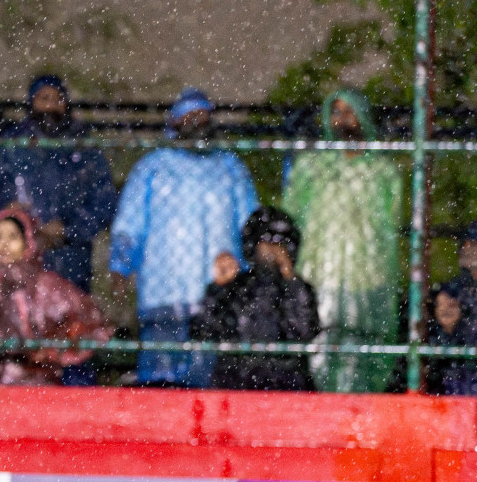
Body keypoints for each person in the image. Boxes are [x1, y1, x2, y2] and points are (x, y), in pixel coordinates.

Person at [110, 88, 258, 387]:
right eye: (189, 116)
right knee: (161, 383)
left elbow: (251, 225)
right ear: (175, 123)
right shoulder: (152, 168)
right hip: (163, 293)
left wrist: (251, 271)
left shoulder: (230, 168)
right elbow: (130, 222)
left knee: (214, 381)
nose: (198, 122)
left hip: (219, 295)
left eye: (203, 115)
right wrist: (121, 264)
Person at [280, 89, 402, 394]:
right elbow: (290, 217)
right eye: (336, 112)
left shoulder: (382, 172)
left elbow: (394, 222)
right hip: (318, 276)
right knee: (318, 349)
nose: (343, 119)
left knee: (365, 352)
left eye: (350, 111)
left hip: (368, 279)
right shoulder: (311, 168)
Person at [0, 75, 119, 292]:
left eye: (57, 99)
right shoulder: (11, 144)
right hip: (16, 261)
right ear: (31, 103)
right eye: (43, 98)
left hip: (69, 263)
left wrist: (68, 230)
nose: (50, 105)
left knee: (68, 319)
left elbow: (104, 202)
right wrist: (5, 213)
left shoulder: (84, 148)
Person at [0, 207, 111, 386]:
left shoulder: (48, 286)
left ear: (28, 241)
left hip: (41, 388)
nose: (4, 244)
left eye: (12, 237)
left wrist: (51, 351)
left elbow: (93, 324)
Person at [192, 207, 321, 392]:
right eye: (267, 242)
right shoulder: (235, 287)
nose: (274, 250)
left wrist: (290, 280)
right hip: (238, 386)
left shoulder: (296, 289)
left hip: (286, 386)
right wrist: (218, 288)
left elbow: (306, 331)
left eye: (280, 243)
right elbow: (202, 330)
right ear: (253, 245)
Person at [426, 282, 477, 396]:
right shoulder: (429, 334)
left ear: (461, 308)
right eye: (440, 305)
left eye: (451, 305)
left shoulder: (471, 335)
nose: (445, 310)